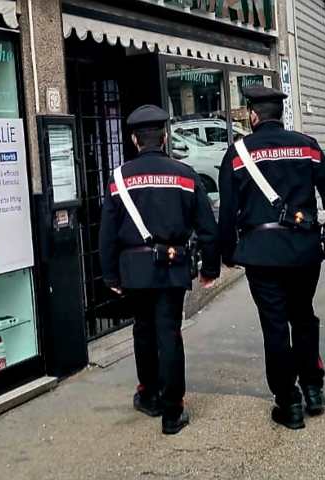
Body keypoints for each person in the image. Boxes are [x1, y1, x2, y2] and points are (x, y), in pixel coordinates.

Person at [218, 86, 325, 430]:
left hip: (261, 255)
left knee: (275, 325)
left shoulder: (237, 154)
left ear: (252, 116)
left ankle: (289, 403)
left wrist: (227, 253)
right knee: (303, 316)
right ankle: (313, 388)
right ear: (280, 114)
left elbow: (228, 212)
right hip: (304, 250)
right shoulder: (306, 145)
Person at [99, 105, 220, 435]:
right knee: (169, 333)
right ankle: (172, 411)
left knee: (142, 329)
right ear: (165, 138)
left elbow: (107, 232)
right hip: (171, 266)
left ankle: (149, 395)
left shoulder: (119, 178)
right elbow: (208, 227)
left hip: (134, 269)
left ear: (135, 140)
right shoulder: (184, 174)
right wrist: (210, 267)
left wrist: (110, 275)